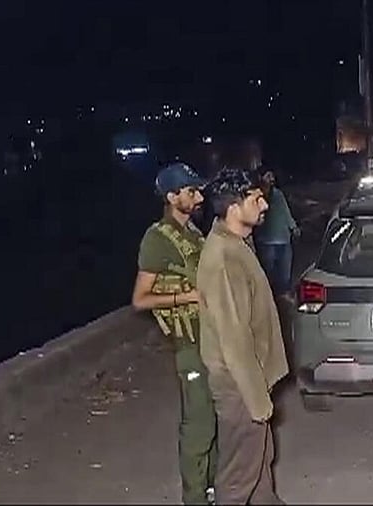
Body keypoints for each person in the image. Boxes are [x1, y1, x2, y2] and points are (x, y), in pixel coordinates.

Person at [196, 167, 290, 505]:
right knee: (238, 478)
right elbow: (233, 338)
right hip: (239, 386)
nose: (264, 204)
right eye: (256, 199)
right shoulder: (223, 258)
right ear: (234, 208)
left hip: (250, 379)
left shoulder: (236, 243)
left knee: (260, 465)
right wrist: (256, 400)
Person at [131, 162, 217, 505]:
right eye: (190, 191)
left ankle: (212, 488)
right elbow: (140, 300)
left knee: (214, 421)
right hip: (188, 344)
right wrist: (189, 296)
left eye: (198, 190)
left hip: (209, 337)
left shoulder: (193, 232)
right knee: (198, 426)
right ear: (171, 197)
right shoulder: (157, 239)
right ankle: (194, 498)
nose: (198, 196)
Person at [251, 170, 300, 300]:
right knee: (268, 272)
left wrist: (293, 227)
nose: (271, 178)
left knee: (285, 273)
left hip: (284, 239)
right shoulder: (257, 196)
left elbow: (285, 211)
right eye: (267, 175)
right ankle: (269, 297)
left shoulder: (278, 194)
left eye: (272, 176)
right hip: (266, 241)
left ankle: (283, 298)